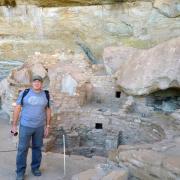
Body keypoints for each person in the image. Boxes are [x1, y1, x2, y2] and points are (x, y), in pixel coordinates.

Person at [11, 75, 51, 180]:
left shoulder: (46, 94)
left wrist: (47, 125)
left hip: (39, 127)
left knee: (37, 148)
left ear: (42, 83)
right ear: (31, 83)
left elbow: (48, 110)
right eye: (34, 81)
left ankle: (35, 168)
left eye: (39, 81)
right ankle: (20, 172)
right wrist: (14, 125)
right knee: (22, 149)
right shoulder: (25, 93)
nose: (37, 83)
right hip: (25, 126)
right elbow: (18, 108)